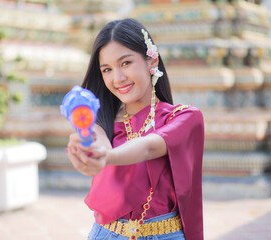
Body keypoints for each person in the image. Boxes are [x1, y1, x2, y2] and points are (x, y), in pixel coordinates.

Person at [66, 18, 204, 240]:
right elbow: (97, 143)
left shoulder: (185, 118)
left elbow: (149, 147)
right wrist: (87, 153)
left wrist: (106, 157)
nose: (117, 78)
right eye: (107, 69)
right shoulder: (102, 120)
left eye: (126, 63)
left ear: (151, 60)